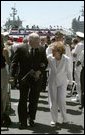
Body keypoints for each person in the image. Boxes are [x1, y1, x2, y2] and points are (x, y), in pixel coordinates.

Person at [10, 33, 48, 129]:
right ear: (30, 42)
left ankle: (31, 118)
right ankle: (22, 122)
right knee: (23, 99)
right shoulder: (21, 48)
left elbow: (45, 62)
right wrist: (12, 76)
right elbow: (14, 63)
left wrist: (40, 71)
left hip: (36, 78)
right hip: (24, 78)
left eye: (39, 42)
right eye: (36, 42)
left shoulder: (42, 49)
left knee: (34, 99)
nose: (39, 44)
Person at [46, 42, 72, 126]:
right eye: (52, 50)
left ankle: (65, 118)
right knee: (53, 101)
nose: (52, 52)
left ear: (60, 51)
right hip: (52, 81)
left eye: (54, 51)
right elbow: (46, 67)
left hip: (62, 82)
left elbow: (69, 71)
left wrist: (70, 82)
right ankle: (54, 119)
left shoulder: (66, 59)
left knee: (61, 100)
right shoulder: (49, 58)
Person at [72, 31, 84, 103]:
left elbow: (74, 54)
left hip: (78, 64)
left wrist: (72, 51)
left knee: (78, 82)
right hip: (83, 65)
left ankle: (80, 98)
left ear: (78, 38)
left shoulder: (79, 45)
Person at [1, 34, 10, 124]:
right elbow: (8, 62)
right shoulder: (4, 50)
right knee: (3, 93)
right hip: (2, 71)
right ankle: (2, 113)